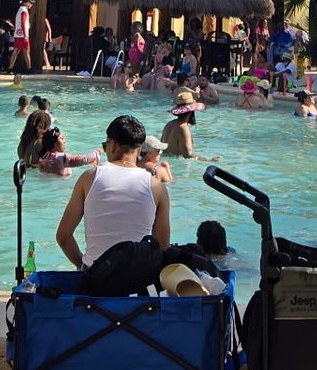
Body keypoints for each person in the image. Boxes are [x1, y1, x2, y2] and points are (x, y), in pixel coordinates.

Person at [56, 115, 171, 272]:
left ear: (113, 145)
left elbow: (63, 237)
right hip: (138, 280)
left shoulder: (89, 178)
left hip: (96, 281)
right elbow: (163, 249)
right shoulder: (157, 187)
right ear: (139, 150)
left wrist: (83, 266)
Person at [162, 91, 217, 160]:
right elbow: (188, 155)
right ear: (191, 112)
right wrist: (209, 160)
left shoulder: (169, 124)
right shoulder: (183, 128)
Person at [10, 0, 34, 74]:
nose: (31, 5)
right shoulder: (24, 11)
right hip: (23, 35)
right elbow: (23, 22)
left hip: (18, 33)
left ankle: (10, 68)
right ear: (26, 3)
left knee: (16, 51)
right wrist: (26, 35)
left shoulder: (20, 10)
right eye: (30, 3)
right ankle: (29, 69)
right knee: (26, 51)